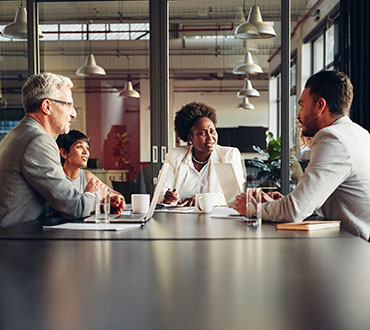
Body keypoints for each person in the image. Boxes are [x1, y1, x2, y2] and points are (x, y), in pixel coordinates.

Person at [234, 70, 370, 240]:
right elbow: (310, 204)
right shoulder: (361, 133)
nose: (298, 114)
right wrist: (277, 204)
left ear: (320, 106)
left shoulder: (333, 137)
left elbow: (295, 211)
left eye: (302, 106)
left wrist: (253, 208)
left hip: (350, 251)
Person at [0, 72, 124, 228]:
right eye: (68, 105)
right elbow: (74, 207)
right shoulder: (38, 141)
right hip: (17, 242)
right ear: (47, 107)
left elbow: (60, 201)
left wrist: (97, 202)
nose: (73, 114)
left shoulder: (20, 133)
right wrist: (93, 195)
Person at [161, 102, 245, 206]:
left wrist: (202, 199)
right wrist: (169, 198)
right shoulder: (175, 156)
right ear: (190, 138)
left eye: (212, 131)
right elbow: (161, 192)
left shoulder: (229, 155)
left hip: (217, 219)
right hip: (180, 217)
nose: (210, 137)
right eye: (202, 133)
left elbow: (235, 196)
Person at [56, 130, 124, 207]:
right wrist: (89, 196)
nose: (86, 152)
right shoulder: (56, 176)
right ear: (64, 153)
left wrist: (115, 199)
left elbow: (117, 195)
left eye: (87, 148)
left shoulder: (86, 175)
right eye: (79, 147)